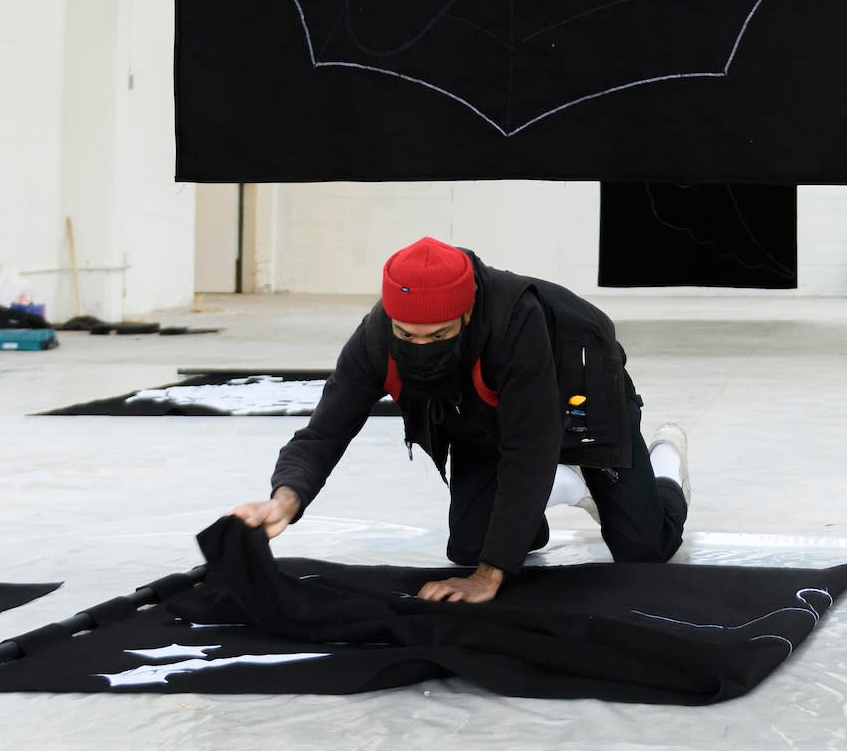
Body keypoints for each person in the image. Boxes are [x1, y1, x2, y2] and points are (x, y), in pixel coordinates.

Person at [231, 237, 691, 605]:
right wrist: (286, 499)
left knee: (642, 553)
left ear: (468, 313)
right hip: (483, 418)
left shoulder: (516, 322)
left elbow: (529, 449)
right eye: (407, 334)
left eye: (439, 334)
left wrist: (492, 575)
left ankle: (666, 461)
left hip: (583, 399)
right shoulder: (375, 337)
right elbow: (325, 430)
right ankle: (567, 486)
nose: (421, 345)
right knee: (471, 548)